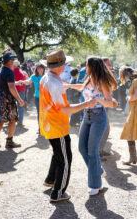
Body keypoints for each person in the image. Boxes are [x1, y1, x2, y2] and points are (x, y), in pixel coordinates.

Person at [39, 49, 97, 202]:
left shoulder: (47, 78)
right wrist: (86, 104)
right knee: (65, 159)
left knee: (57, 154)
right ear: (58, 66)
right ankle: (57, 193)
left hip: (49, 124)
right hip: (57, 126)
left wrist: (70, 86)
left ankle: (50, 180)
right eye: (64, 64)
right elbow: (65, 109)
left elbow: (58, 92)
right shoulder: (55, 83)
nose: (65, 66)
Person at [67, 56, 118, 196]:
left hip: (98, 116)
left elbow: (111, 103)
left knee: (92, 151)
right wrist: (68, 85)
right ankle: (99, 171)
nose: (85, 67)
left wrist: (99, 99)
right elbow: (82, 88)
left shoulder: (103, 82)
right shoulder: (89, 79)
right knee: (82, 148)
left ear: (92, 67)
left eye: (87, 65)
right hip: (87, 115)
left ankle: (95, 185)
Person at [0, 52, 24, 150]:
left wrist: (15, 83)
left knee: (0, 120)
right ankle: (9, 142)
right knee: (12, 120)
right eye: (12, 60)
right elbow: (11, 87)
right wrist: (19, 99)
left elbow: (6, 83)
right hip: (7, 99)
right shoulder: (10, 72)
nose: (13, 61)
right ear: (9, 61)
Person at [99, 57, 112, 159]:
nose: (110, 66)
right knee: (104, 129)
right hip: (99, 108)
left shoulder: (104, 76)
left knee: (105, 129)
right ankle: (98, 152)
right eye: (108, 64)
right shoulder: (100, 77)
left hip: (103, 107)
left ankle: (100, 150)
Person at [13, 60, 27, 126]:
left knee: (13, 105)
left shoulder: (12, 72)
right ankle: (20, 120)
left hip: (14, 90)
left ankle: (12, 119)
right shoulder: (22, 72)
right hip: (22, 90)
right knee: (20, 105)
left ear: (14, 65)